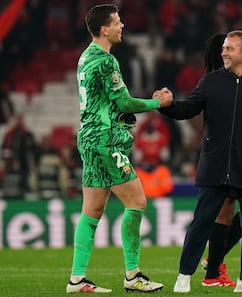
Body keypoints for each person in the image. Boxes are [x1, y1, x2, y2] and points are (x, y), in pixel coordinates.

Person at [158, 30, 242, 293]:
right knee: (200, 223)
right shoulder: (211, 81)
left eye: (229, 48)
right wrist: (167, 105)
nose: (223, 53)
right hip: (215, 166)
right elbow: (188, 109)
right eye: (223, 48)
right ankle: (184, 276)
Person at [65, 4, 172, 294]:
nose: (122, 25)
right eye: (117, 22)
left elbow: (106, 103)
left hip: (89, 137)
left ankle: (77, 279)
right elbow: (124, 102)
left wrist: (119, 114)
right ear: (104, 29)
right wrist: (156, 104)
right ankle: (133, 275)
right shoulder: (106, 61)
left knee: (93, 209)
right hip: (105, 140)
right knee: (136, 201)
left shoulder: (85, 57)